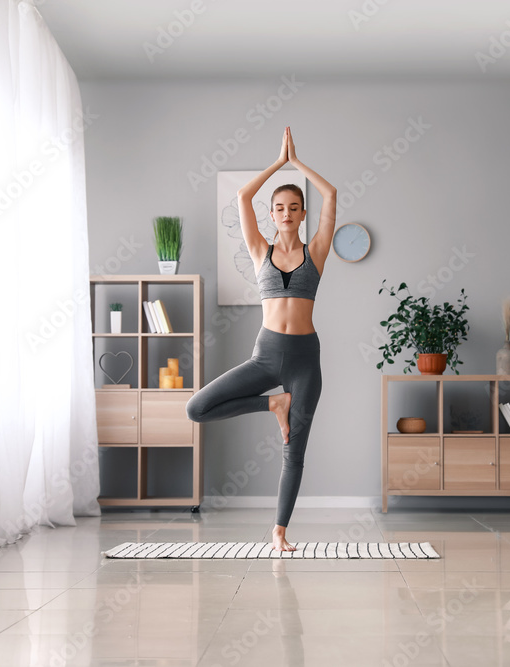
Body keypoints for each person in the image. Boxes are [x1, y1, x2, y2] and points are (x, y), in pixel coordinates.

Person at [186, 126, 336, 551]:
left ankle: (279, 532)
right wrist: (278, 162)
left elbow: (333, 195)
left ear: (302, 213)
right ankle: (273, 403)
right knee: (197, 408)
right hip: (266, 354)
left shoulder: (317, 251)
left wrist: (298, 163)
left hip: (306, 358)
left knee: (294, 450)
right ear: (272, 215)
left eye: (294, 207)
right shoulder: (259, 250)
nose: (287, 213)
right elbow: (242, 198)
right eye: (280, 208)